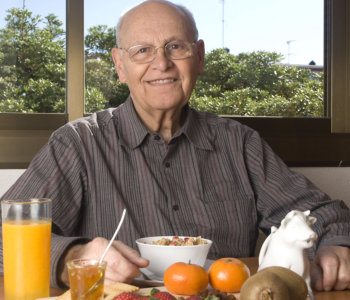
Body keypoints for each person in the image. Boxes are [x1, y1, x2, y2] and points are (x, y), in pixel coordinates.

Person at [1, 0, 350, 292]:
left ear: (198, 57)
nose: (162, 63)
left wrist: (336, 245)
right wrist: (71, 257)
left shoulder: (239, 143)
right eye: (142, 51)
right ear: (120, 66)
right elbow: (3, 237)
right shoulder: (78, 143)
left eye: (175, 47)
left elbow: (326, 213)